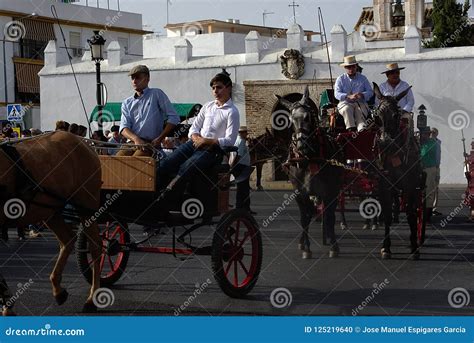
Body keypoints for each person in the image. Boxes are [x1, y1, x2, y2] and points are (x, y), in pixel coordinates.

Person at [158, 69, 240, 194]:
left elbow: (230, 140)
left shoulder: (232, 112)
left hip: (212, 151)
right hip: (193, 143)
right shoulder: (207, 106)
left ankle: (170, 193)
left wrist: (205, 141)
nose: (215, 91)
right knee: (167, 162)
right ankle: (156, 190)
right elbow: (193, 128)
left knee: (187, 167)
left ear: (228, 88)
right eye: (213, 88)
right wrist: (196, 137)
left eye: (219, 87)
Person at [118, 65, 180, 157]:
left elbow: (174, 117)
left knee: (135, 162)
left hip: (151, 144)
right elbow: (123, 127)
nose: (134, 81)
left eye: (138, 77)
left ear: (147, 79)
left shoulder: (156, 94)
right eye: (132, 78)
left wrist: (160, 138)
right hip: (132, 142)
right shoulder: (127, 102)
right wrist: (136, 139)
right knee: (116, 161)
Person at [334, 55, 373, 131]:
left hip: (360, 102)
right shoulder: (340, 79)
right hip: (345, 103)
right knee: (347, 109)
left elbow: (370, 91)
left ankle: (361, 129)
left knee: (360, 111)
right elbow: (337, 93)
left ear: (356, 67)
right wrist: (348, 96)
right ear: (345, 68)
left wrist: (362, 94)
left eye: (353, 66)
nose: (351, 69)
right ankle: (351, 129)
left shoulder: (363, 78)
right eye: (349, 67)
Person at [231, 126, 256, 214]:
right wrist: (234, 165)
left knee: (241, 188)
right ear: (243, 133)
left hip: (240, 166)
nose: (246, 134)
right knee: (244, 189)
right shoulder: (241, 141)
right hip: (241, 167)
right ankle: (244, 208)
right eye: (245, 133)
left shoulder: (239, 141)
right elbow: (239, 155)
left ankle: (241, 207)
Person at [420, 127, 438, 226]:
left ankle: (427, 216)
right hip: (421, 169)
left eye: (426, 134)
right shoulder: (422, 143)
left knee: (429, 192)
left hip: (429, 168)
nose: (424, 135)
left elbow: (423, 154)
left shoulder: (432, 143)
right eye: (423, 134)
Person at [431, 127, 442, 216]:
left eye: (435, 132)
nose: (433, 133)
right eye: (432, 132)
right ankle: (428, 207)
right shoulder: (428, 142)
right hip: (430, 167)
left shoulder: (438, 142)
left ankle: (434, 208)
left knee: (435, 188)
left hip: (437, 167)